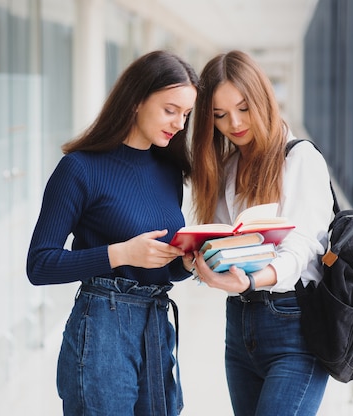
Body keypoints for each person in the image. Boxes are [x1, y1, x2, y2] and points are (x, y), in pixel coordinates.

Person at [26, 50, 198, 415]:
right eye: (171, 110)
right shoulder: (79, 169)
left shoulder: (168, 172)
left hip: (156, 327)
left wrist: (185, 261)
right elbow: (39, 265)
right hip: (103, 327)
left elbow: (159, 269)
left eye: (186, 114)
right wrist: (119, 254)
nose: (179, 124)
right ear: (136, 101)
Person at [188, 50, 333, 415]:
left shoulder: (300, 158)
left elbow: (302, 248)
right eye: (219, 116)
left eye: (243, 108)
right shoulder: (228, 168)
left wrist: (253, 281)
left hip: (294, 325)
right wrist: (202, 259)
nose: (233, 123)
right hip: (239, 324)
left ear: (263, 99)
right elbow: (225, 237)